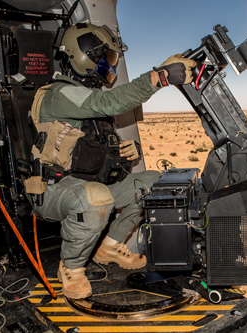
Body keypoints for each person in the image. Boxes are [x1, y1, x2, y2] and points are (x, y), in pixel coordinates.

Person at [25, 23, 196, 299]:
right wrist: (158, 77)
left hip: (91, 187)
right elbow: (109, 104)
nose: (110, 66)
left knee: (153, 182)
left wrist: (128, 151)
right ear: (83, 55)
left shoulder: (88, 101)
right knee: (95, 197)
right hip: (53, 190)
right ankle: (70, 267)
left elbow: (94, 149)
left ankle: (110, 246)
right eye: (108, 58)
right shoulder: (59, 93)